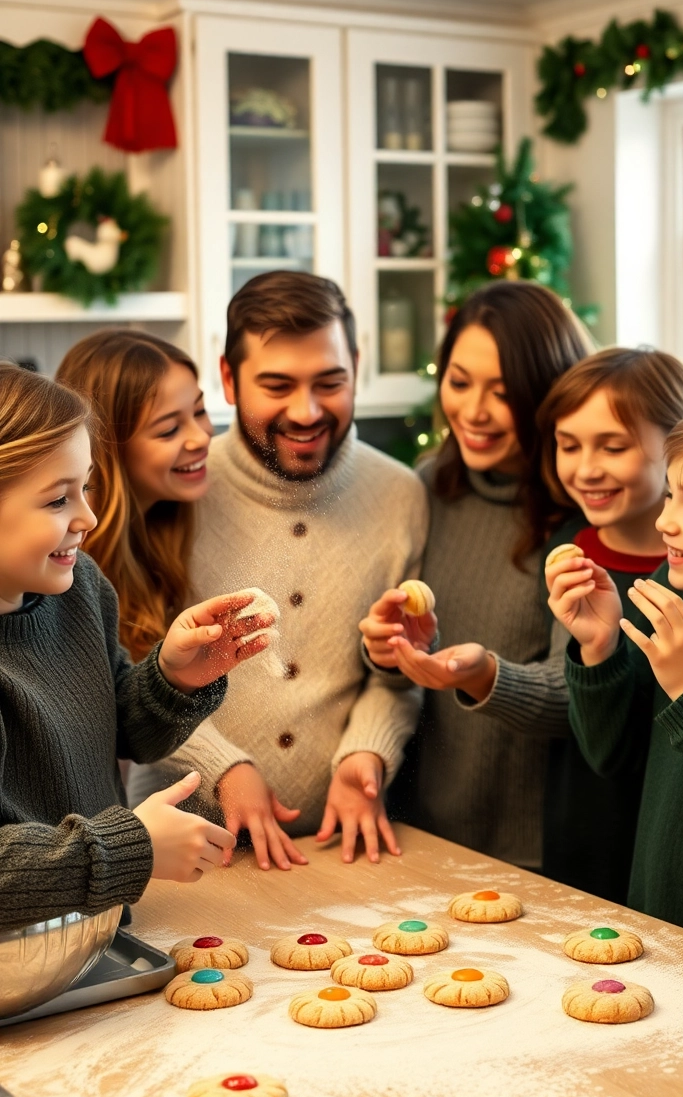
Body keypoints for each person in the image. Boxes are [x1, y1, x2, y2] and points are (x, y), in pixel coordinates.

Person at [129, 271, 428, 869]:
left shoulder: (400, 494)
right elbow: (133, 672)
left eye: (330, 382)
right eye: (277, 384)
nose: (307, 410)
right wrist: (222, 769)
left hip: (343, 849)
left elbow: (397, 671)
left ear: (357, 367)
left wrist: (365, 756)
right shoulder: (177, 485)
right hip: (183, 853)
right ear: (228, 379)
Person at [0, 363, 275, 932]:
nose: (88, 517)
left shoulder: (79, 591)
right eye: (57, 501)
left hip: (95, 942)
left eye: (86, 488)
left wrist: (172, 679)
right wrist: (132, 846)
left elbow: (126, 732)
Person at [362, 281, 592, 868]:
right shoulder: (427, 484)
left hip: (537, 852)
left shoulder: (583, 514)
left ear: (545, 393)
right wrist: (387, 648)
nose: (474, 411)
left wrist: (485, 674)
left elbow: (581, 699)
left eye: (504, 391)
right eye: (459, 382)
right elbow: (412, 650)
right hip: (419, 832)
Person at [546, 397, 683, 957]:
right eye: (671, 494)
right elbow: (610, 756)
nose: (665, 520)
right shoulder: (674, 597)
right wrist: (598, 648)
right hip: (660, 930)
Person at [535, 347, 683, 902]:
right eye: (569, 445)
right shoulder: (564, 552)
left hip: (669, 836)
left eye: (614, 446)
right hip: (583, 824)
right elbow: (598, 735)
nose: (586, 468)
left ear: (677, 449)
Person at [56, 331, 213, 662]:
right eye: (169, 430)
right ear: (107, 449)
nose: (201, 437)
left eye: (199, 411)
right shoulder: (69, 562)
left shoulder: (161, 523)